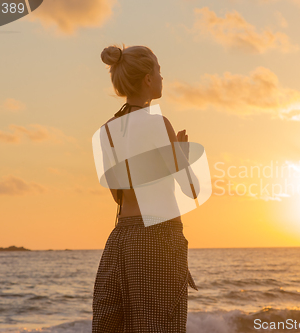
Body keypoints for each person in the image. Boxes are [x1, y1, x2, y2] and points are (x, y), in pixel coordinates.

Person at [92, 44, 198, 333]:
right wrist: (181, 155)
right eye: (159, 71)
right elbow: (190, 190)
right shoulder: (158, 124)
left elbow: (118, 194)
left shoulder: (107, 131)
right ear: (148, 80)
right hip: (159, 237)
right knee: (160, 324)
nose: (163, 77)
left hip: (122, 239)